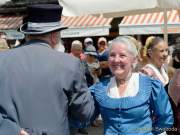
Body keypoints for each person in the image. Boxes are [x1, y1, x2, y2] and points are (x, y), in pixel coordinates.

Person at [0, 4, 95, 135]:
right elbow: (84, 113)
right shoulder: (70, 64)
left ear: (27, 33)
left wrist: (12, 129)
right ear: (54, 36)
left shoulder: (2, 60)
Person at [89, 36, 173, 135]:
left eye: (122, 55)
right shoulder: (100, 88)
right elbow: (85, 117)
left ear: (134, 60)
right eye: (112, 55)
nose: (116, 60)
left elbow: (165, 119)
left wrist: (148, 132)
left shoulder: (150, 85)